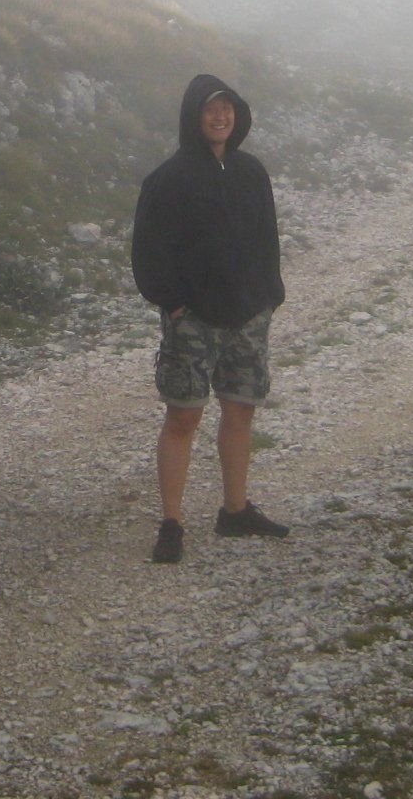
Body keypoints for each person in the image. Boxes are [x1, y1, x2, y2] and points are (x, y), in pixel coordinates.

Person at [131, 73, 289, 565]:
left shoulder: (251, 172)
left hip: (248, 314)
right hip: (192, 319)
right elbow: (147, 252)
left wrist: (269, 296)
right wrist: (174, 303)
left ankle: (235, 511)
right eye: (210, 110)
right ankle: (172, 522)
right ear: (193, 117)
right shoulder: (168, 178)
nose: (221, 117)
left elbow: (268, 238)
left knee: (240, 410)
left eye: (228, 109)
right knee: (184, 415)